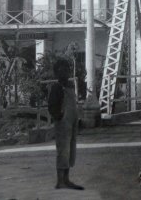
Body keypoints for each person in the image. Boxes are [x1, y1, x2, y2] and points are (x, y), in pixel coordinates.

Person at [47, 59, 84, 190]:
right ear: (57, 73)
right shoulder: (57, 87)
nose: (65, 73)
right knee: (63, 151)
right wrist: (59, 116)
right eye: (62, 71)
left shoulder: (70, 86)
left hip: (72, 122)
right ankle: (60, 181)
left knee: (71, 150)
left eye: (67, 70)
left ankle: (67, 179)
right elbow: (51, 106)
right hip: (63, 124)